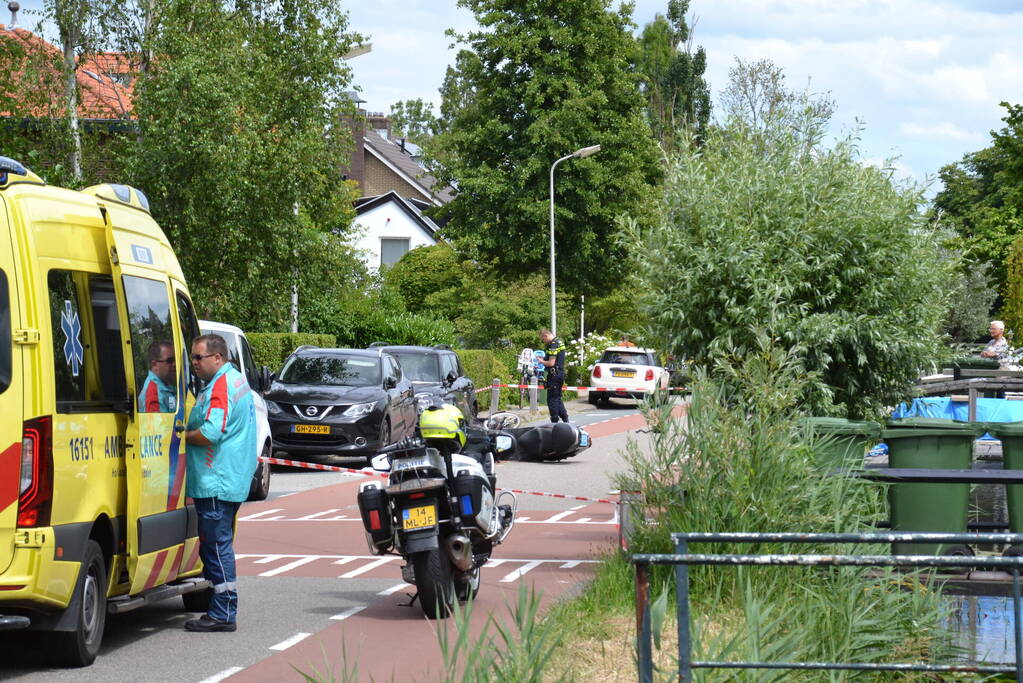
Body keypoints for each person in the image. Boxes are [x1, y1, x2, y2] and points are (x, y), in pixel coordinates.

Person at [182, 334, 257, 633]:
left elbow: (210, 433)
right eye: (193, 358)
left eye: (199, 357)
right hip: (228, 476)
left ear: (218, 357)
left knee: (216, 546)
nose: (194, 363)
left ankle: (224, 611)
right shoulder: (235, 381)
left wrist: (180, 436)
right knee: (216, 544)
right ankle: (220, 605)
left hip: (216, 479)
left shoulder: (222, 385)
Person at [537, 328, 569, 424]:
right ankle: (565, 419)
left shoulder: (553, 345)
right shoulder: (560, 342)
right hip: (560, 374)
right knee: (557, 398)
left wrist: (541, 361)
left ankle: (554, 422)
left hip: (554, 374)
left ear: (545, 336)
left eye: (543, 339)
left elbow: (551, 363)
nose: (544, 341)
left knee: (552, 400)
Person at [138, 340, 176, 413]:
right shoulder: (153, 394)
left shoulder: (165, 386)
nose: (175, 364)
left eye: (176, 360)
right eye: (170, 361)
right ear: (154, 364)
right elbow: (157, 424)